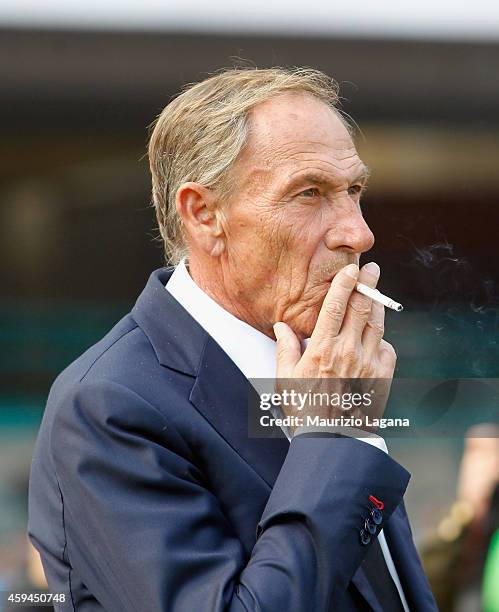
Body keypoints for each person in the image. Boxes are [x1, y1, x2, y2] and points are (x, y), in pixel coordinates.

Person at [28, 67, 437, 611]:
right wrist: (334, 438)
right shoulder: (108, 405)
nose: (358, 233)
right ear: (204, 215)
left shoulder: (320, 370)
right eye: (310, 193)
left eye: (354, 189)